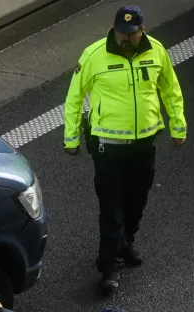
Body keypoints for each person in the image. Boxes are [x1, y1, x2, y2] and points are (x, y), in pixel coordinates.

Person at [62, 5, 186, 294]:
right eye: (121, 33)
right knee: (112, 209)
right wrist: (71, 139)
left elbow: (171, 90)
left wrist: (178, 127)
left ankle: (125, 242)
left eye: (131, 34)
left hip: (144, 143)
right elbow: (74, 98)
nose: (125, 38)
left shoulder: (156, 51)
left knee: (137, 201)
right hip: (108, 146)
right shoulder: (93, 56)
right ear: (114, 28)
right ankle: (109, 266)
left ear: (141, 30)